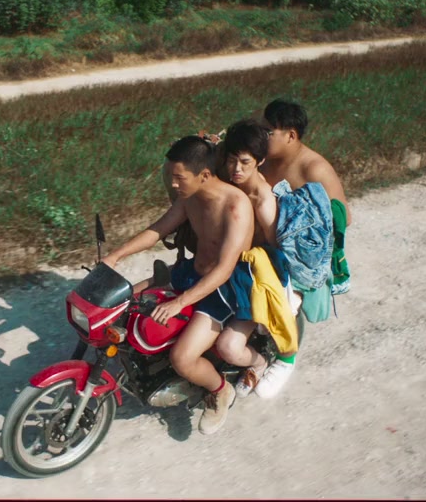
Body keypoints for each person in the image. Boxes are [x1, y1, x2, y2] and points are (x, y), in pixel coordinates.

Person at [100, 135, 255, 435]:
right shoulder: (190, 197)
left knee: (182, 358)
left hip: (222, 289)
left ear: (204, 175)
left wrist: (179, 303)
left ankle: (220, 390)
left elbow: (224, 269)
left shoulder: (235, 206)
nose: (172, 184)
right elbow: (157, 230)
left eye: (178, 178)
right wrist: (115, 256)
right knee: (123, 301)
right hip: (192, 273)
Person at [253, 98, 354, 396]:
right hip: (259, 243)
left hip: (298, 258)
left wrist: (297, 224)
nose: (262, 137)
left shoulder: (314, 169)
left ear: (291, 135)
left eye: (268, 132)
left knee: (283, 301)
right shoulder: (263, 157)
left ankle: (286, 358)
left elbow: (343, 216)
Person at [209, 118, 303, 399]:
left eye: (245, 162)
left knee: (228, 347)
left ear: (260, 161)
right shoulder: (226, 179)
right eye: (232, 160)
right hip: (220, 263)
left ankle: (260, 363)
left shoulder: (263, 200)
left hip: (247, 276)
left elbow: (275, 250)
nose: (236, 169)